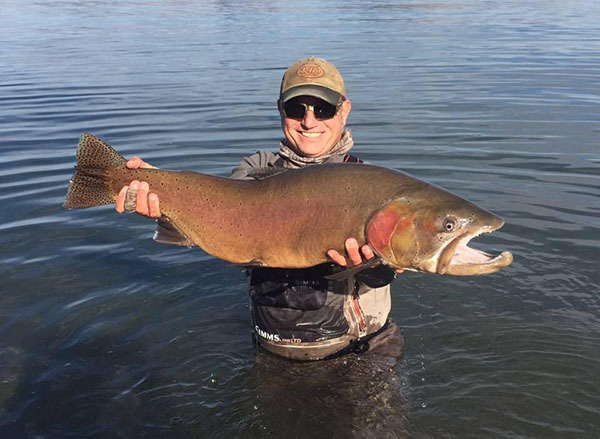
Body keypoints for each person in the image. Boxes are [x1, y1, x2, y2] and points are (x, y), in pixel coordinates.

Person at [115, 57, 403, 360]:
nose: (309, 121)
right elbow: (225, 219)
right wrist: (156, 190)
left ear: (344, 111)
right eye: (296, 109)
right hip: (272, 356)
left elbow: (386, 272)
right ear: (280, 110)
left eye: (323, 109)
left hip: (362, 354)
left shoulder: (372, 186)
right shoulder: (254, 171)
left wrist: (375, 267)